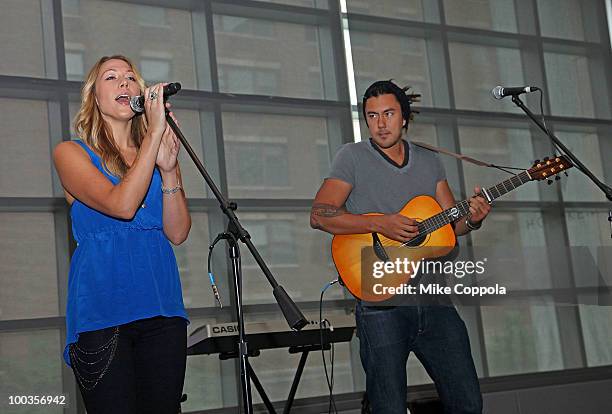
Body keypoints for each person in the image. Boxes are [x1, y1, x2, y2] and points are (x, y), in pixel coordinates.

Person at [310, 80, 491, 413]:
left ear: (404, 117)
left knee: (468, 403)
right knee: (388, 407)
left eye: (389, 114)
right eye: (372, 115)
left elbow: (450, 229)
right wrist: (380, 223)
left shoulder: (430, 161)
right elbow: (320, 215)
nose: (381, 123)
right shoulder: (352, 157)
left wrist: (475, 218)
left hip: (436, 300)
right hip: (381, 305)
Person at [53, 55, 191, 414]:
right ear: (93, 98)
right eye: (111, 77)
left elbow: (177, 232)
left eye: (131, 77)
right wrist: (154, 137)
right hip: (103, 314)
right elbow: (122, 205)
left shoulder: (154, 155)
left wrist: (171, 169)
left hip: (162, 310)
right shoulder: (71, 153)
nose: (125, 83)